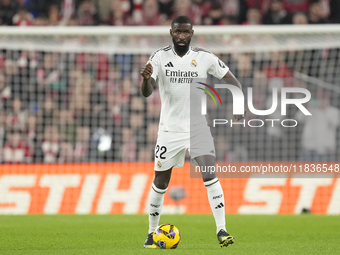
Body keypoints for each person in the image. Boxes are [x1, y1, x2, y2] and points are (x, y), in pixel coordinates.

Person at [140, 15, 244, 248]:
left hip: (198, 128)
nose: (181, 36)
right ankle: (151, 232)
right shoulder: (159, 57)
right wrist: (146, 80)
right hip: (169, 130)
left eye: (186, 32)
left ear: (192, 33)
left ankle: (222, 230)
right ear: (171, 33)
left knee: (209, 174)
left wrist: (238, 105)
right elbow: (147, 92)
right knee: (161, 182)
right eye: (177, 32)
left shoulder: (204, 58)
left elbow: (233, 81)